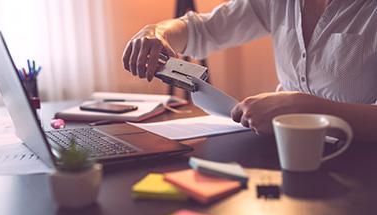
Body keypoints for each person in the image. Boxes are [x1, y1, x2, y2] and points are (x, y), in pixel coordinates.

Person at [122, 0, 377, 142]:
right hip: (280, 150)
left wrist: (304, 107)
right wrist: (155, 32)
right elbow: (203, 29)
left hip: (359, 167)